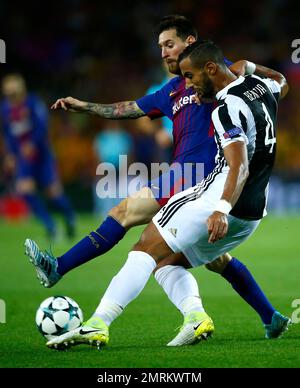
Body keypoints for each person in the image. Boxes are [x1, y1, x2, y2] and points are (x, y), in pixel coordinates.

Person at [25, 16, 284, 345]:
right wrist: (86, 107)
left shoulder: (213, 72)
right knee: (204, 258)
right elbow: (130, 109)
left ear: (191, 44)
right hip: (203, 181)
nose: (163, 52)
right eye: (159, 47)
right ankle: (258, 315)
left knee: (126, 217)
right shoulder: (172, 90)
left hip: (200, 175)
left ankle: (62, 272)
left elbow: (249, 85)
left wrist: (252, 68)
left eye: (169, 44)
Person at [0, 74, 76, 239]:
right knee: (24, 190)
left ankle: (70, 218)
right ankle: (51, 226)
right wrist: (10, 155)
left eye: (14, 93)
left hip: (42, 156)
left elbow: (43, 126)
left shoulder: (33, 103)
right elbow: (7, 134)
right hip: (24, 158)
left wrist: (32, 144)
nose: (12, 97)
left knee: (54, 194)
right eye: (9, 94)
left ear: (21, 91)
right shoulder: (4, 109)